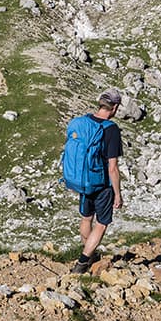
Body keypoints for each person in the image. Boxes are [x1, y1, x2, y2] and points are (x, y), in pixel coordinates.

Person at [64, 89, 125, 274]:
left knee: (86, 218)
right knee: (102, 223)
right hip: (101, 184)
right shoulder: (110, 129)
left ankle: (89, 255)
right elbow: (112, 167)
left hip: (82, 180)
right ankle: (82, 263)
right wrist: (117, 193)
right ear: (114, 108)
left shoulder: (81, 122)